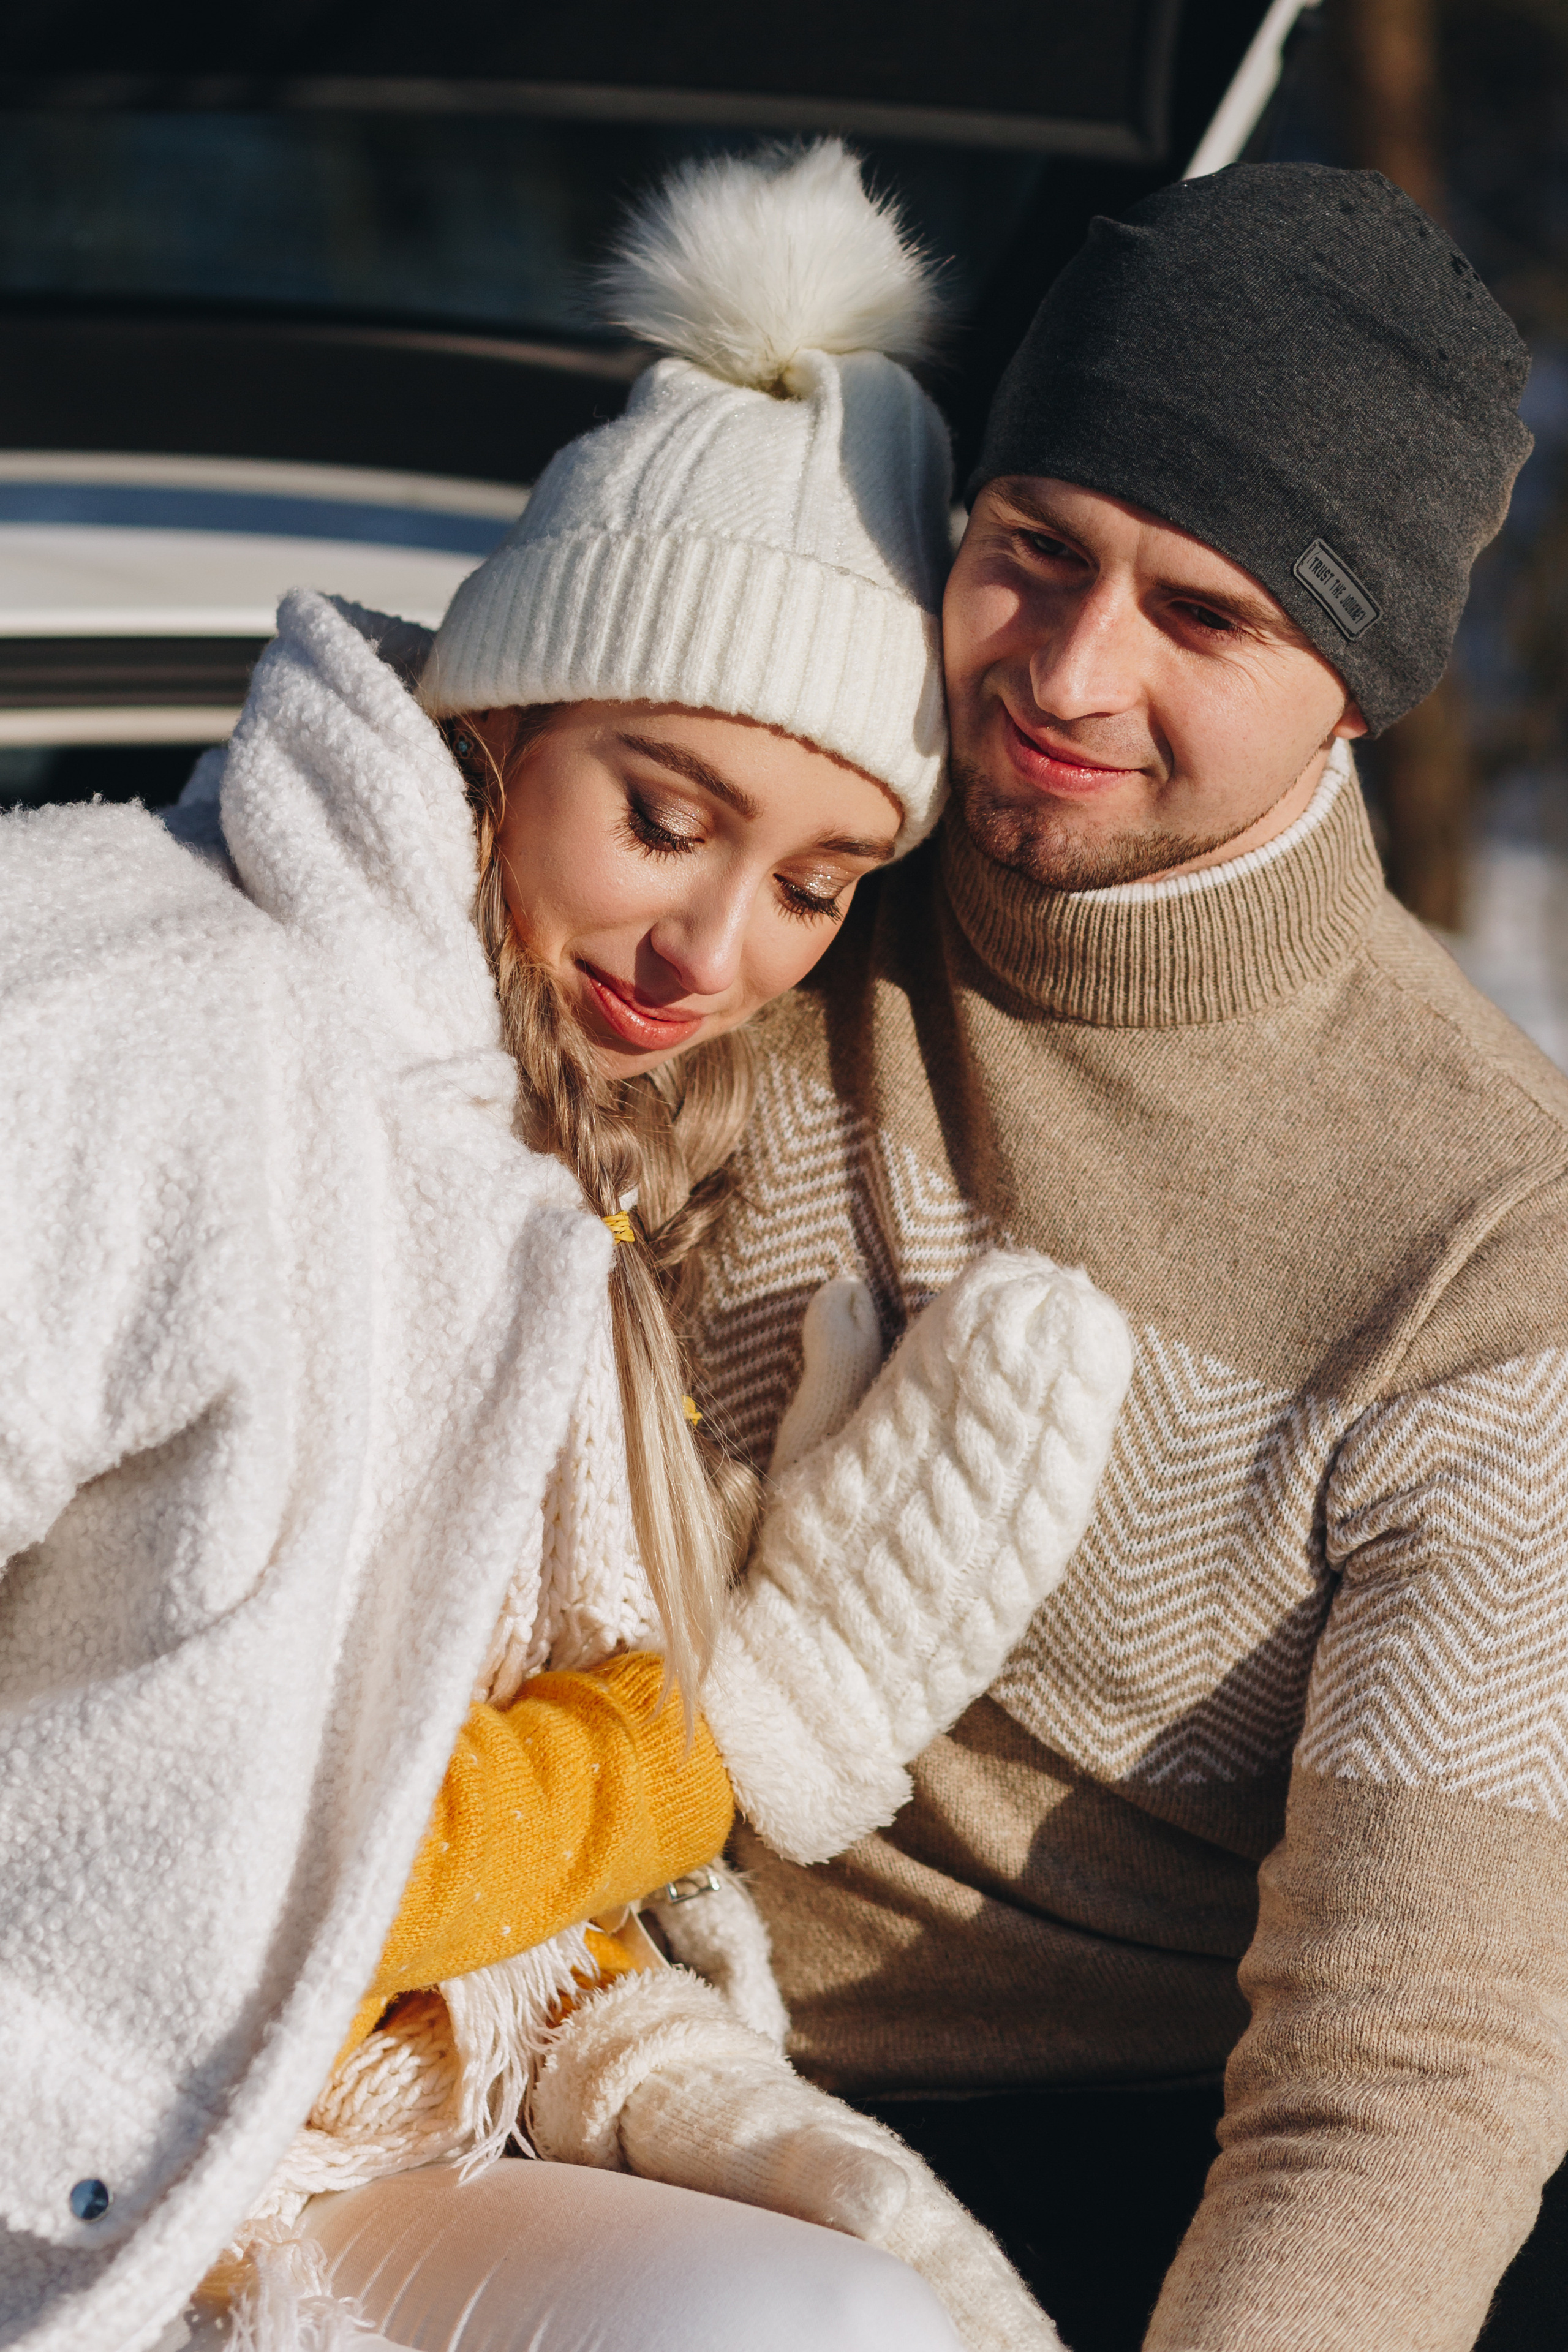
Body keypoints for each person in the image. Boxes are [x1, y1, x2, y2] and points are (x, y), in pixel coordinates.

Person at [0, 145, 1132, 2352]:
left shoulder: (583, 1154)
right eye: (666, 813)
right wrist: (664, 1759)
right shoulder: (152, 1013)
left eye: (815, 883)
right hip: (94, 2160)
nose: (714, 945)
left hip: (402, 2122)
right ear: (505, 721)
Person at [630, 164, 1564, 2352]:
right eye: (1036, 549)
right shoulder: (760, 857)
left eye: (1204, 615)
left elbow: (1407, 2081)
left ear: (1358, 690)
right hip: (564, 2018)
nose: (1065, 671)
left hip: (1087, 2166)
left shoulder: (1487, 1250)